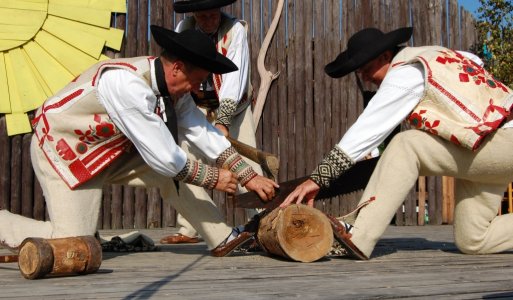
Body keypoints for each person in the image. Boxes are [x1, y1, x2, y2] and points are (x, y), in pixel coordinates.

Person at [0, 25, 278, 257]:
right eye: (198, 80)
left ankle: (224, 238)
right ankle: (4, 224)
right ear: (178, 68)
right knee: (75, 245)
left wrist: (248, 176)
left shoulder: (176, 92)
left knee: (174, 173)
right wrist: (213, 177)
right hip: (64, 153)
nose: (198, 89)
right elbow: (165, 156)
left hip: (110, 151)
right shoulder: (126, 84)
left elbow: (203, 134)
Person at [281, 26, 513, 260]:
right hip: (486, 145)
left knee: (407, 145)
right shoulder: (433, 56)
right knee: (473, 239)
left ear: (385, 56)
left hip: (502, 140)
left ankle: (359, 237)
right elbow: (473, 60)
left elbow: (369, 127)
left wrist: (319, 178)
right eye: (359, 72)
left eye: (367, 68)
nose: (365, 77)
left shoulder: (407, 73)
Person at [160, 0, 263, 245]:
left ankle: (262, 222)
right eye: (204, 16)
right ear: (194, 14)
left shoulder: (235, 29)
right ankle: (191, 228)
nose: (210, 20)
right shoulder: (184, 28)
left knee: (245, 164)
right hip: (194, 106)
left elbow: (234, 77)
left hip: (234, 109)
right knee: (184, 160)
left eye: (214, 15)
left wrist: (224, 120)